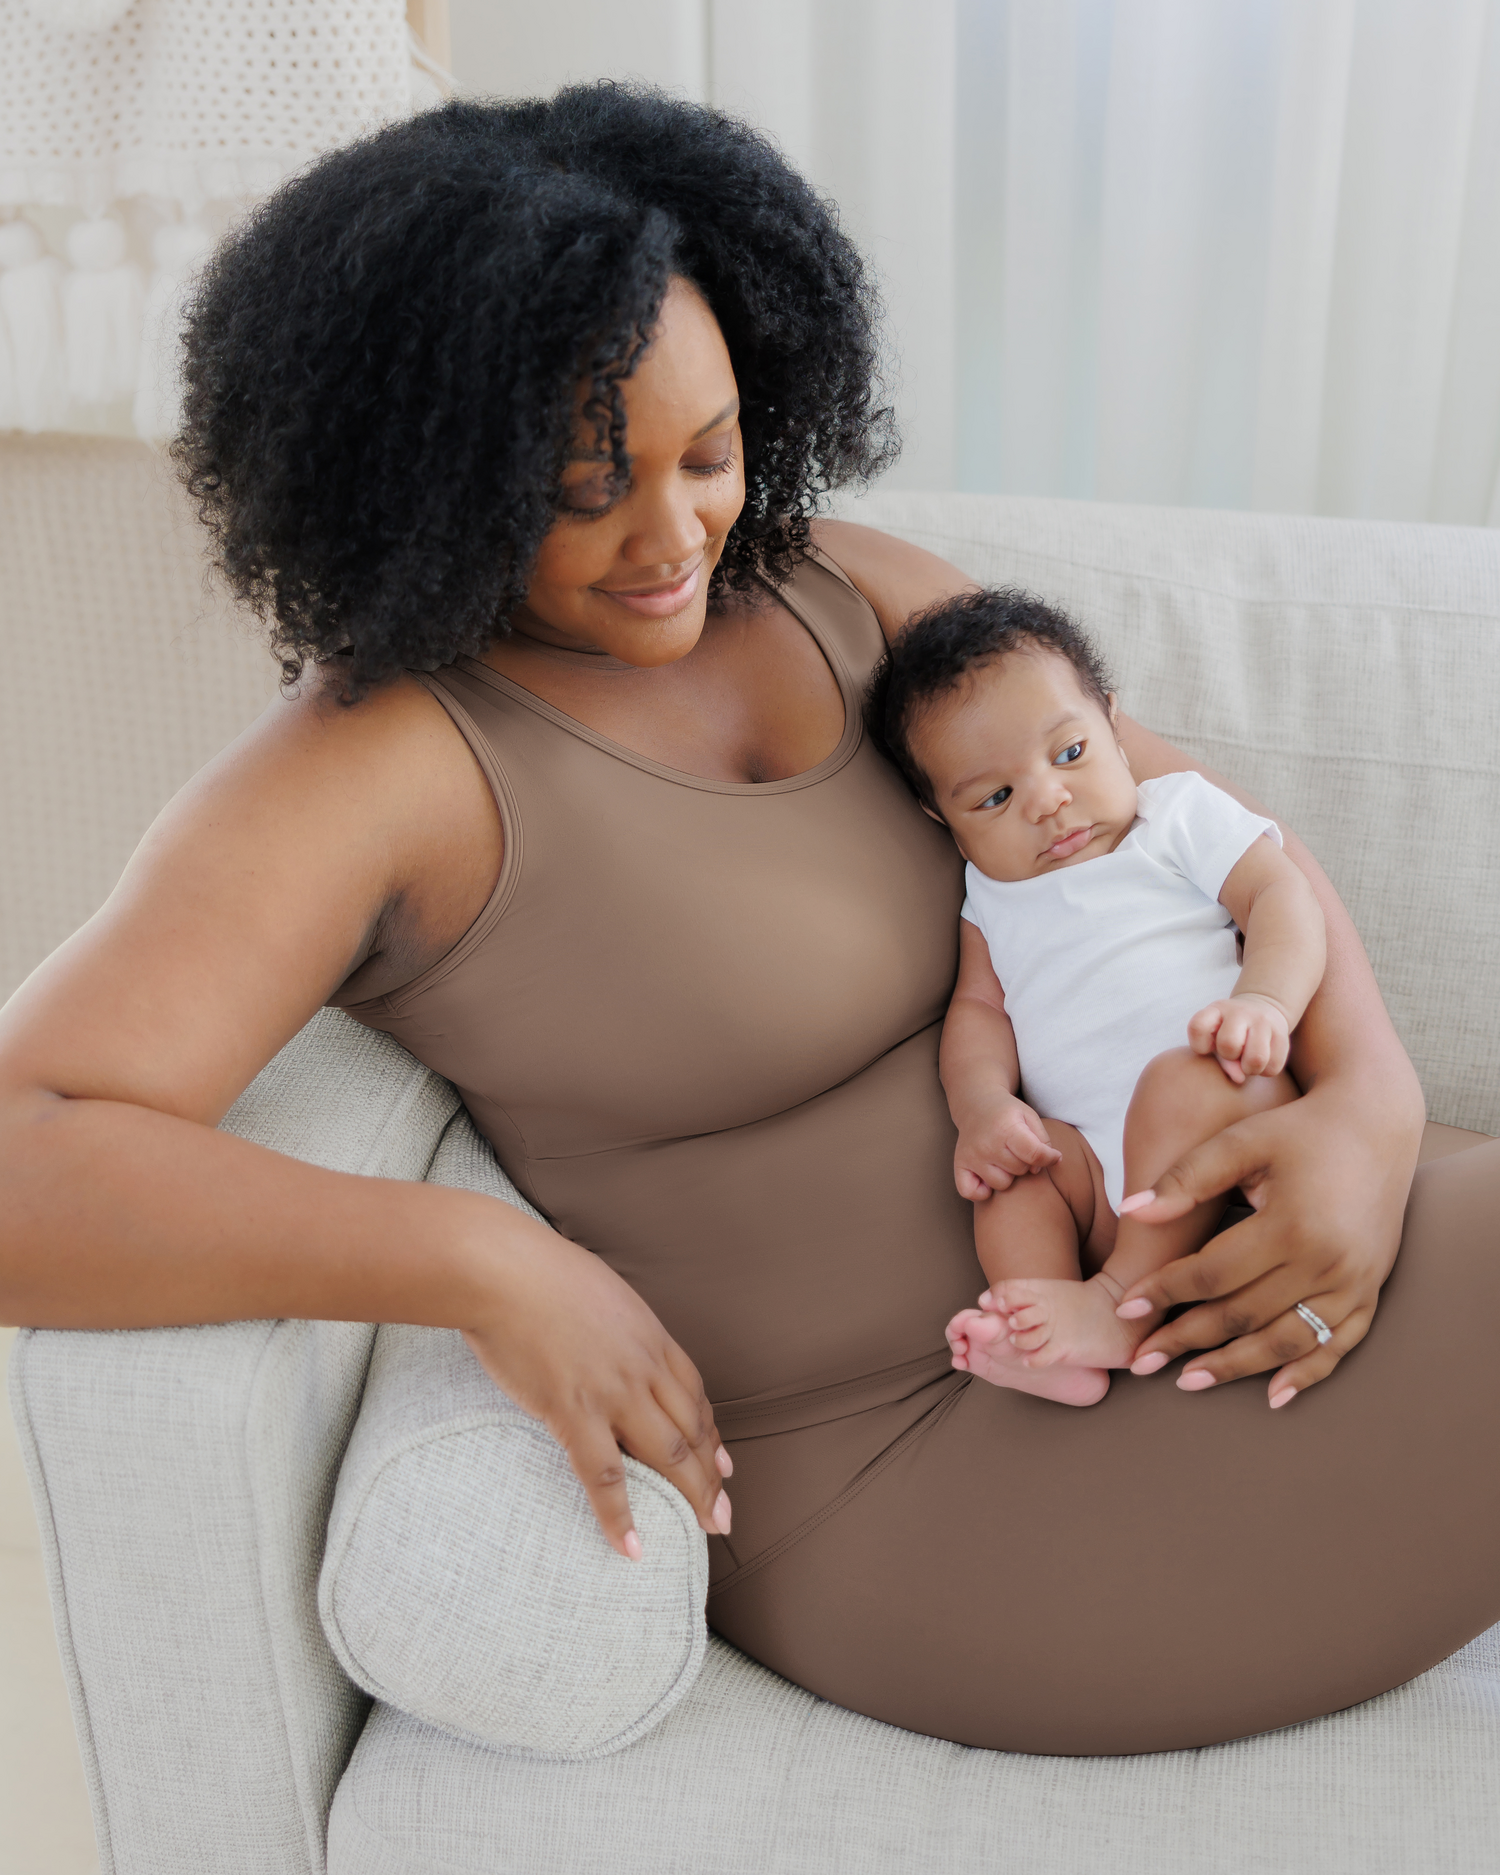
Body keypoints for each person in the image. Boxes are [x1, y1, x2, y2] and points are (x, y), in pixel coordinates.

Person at [1, 86, 1497, 1757]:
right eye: (585, 488)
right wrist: (483, 1261)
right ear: (427, 469)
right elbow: (21, 1148)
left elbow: (1214, 846)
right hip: (944, 1469)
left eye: (706, 452)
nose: (674, 538)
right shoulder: (370, 774)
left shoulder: (849, 593)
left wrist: (1362, 1121)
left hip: (1203, 1274)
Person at [865, 589, 1326, 1404]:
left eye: (1070, 753)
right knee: (1016, 1170)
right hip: (1103, 1191)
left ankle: (1115, 1304)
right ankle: (1047, 1336)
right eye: (995, 798)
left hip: (1232, 1131)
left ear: (1114, 725)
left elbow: (1281, 898)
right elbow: (977, 1014)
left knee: (1186, 1075)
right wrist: (981, 1110)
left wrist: (1265, 1005)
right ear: (941, 819)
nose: (1047, 800)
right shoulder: (991, 896)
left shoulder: (1174, 814)